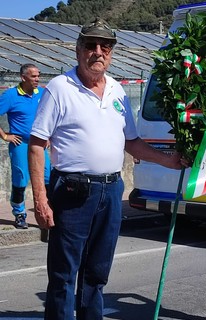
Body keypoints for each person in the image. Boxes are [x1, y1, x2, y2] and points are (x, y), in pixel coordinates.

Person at [28, 17, 185, 320]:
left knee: (97, 273)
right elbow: (36, 145)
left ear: (111, 53)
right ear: (78, 50)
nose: (98, 51)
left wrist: (168, 160)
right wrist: (41, 200)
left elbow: (133, 143)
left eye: (106, 46)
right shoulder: (60, 88)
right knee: (63, 274)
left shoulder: (117, 91)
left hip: (111, 191)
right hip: (73, 191)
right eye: (91, 45)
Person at [0, 63, 51, 229]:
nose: (37, 79)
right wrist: (5, 136)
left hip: (39, 144)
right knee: (20, 179)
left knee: (48, 178)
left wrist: (50, 135)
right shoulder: (10, 95)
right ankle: (19, 213)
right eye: (34, 76)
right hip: (20, 143)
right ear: (23, 78)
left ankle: (50, 210)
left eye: (38, 75)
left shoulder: (42, 93)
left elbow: (52, 115)